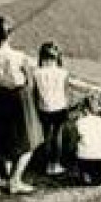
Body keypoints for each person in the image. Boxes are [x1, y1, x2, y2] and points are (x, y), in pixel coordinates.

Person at [0, 16, 38, 195]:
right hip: (18, 96)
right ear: (10, 34)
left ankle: (7, 176)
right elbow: (29, 81)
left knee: (2, 140)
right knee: (29, 140)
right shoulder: (19, 57)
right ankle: (15, 179)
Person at [31, 42, 74, 176]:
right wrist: (67, 107)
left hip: (44, 107)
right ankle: (56, 164)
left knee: (46, 136)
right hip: (60, 106)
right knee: (57, 136)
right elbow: (66, 93)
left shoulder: (36, 73)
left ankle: (46, 164)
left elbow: (35, 94)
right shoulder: (64, 73)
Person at [72, 95, 101, 187]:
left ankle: (86, 174)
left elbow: (74, 141)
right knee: (98, 179)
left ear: (85, 109)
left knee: (81, 148)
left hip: (85, 158)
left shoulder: (80, 121)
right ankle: (97, 176)